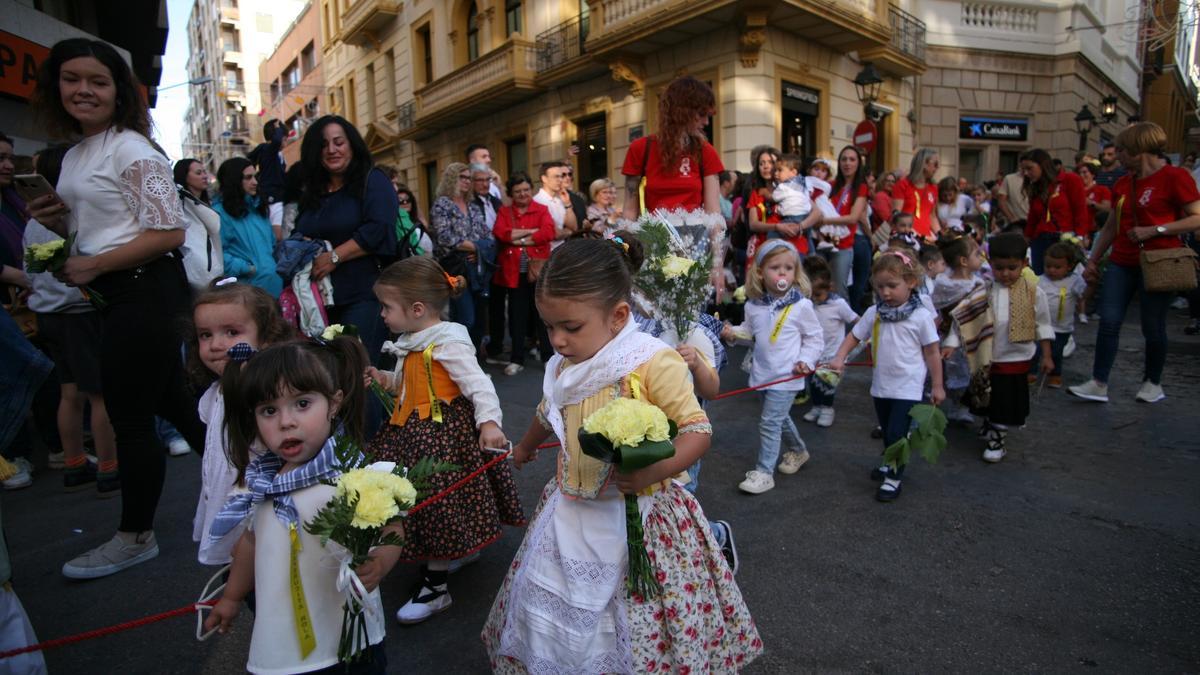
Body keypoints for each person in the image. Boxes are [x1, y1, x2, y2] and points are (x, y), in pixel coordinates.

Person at [482, 237, 762, 672]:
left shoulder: (652, 362)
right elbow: (548, 409)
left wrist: (659, 467)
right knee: (560, 602)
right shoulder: (564, 365)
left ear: (618, 316)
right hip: (570, 508)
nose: (556, 340)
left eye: (570, 327)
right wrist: (524, 446)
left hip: (639, 511)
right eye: (548, 326)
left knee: (633, 614)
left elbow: (697, 429)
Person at [29, 38, 206, 579]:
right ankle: (266, 476)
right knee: (179, 406)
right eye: (71, 79)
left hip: (144, 290)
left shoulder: (130, 148)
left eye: (98, 81)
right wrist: (60, 226)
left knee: (130, 417)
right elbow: (110, 226)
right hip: (119, 293)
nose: (83, 90)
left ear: (119, 92)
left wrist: (93, 264)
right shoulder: (80, 151)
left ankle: (135, 536)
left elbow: (168, 231)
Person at [203, 336, 398, 673]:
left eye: (302, 403)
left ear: (334, 403)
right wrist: (232, 597)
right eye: (269, 410)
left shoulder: (350, 475)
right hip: (280, 641)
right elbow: (250, 542)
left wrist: (380, 563)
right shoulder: (261, 484)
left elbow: (392, 526)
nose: (286, 421)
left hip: (347, 640)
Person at [366, 257, 524, 625]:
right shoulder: (412, 340)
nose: (382, 315)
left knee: (436, 503)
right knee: (419, 500)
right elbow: (412, 382)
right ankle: (454, 552)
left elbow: (479, 383)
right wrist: (385, 380)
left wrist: (488, 423)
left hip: (441, 437)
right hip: (410, 431)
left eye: (387, 307)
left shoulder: (448, 342)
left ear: (417, 309)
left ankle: (436, 587)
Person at [1069, 122, 1200, 403]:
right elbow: (1111, 227)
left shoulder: (1175, 177)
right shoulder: (1122, 183)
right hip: (1122, 260)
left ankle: (1152, 382)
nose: (1118, 158)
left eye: (1123, 151)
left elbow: (1197, 217)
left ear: (1138, 151)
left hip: (1159, 261)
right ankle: (1099, 382)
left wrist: (1157, 230)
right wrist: (1093, 259)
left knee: (1152, 327)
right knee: (1108, 321)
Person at [23, 144, 119, 495]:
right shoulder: (69, 216)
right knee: (99, 395)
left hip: (48, 316)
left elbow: (32, 273)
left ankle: (75, 463)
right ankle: (110, 467)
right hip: (79, 314)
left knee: (70, 393)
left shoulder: (34, 221)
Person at [186, 281, 292, 566]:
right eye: (205, 335)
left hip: (257, 509)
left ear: (267, 338)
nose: (216, 345)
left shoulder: (265, 391)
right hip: (224, 498)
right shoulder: (214, 393)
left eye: (231, 333)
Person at [829, 249, 944, 502]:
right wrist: (839, 357)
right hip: (882, 386)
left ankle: (894, 477)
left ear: (911, 282)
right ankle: (889, 460)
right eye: (880, 287)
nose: (885, 293)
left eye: (892, 286)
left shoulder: (921, 316)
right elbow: (854, 335)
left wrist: (937, 385)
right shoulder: (875, 312)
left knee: (896, 433)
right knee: (888, 431)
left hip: (908, 387)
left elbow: (933, 352)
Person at [294, 115, 398, 365]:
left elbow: (379, 228)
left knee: (359, 370)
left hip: (364, 296)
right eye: (323, 145)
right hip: (321, 304)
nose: (331, 150)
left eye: (339, 142)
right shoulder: (313, 192)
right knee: (334, 372)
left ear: (352, 144)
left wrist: (334, 257)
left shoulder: (373, 180)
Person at [721, 240, 822, 495]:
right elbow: (750, 331)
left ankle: (765, 472)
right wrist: (732, 332)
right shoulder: (753, 305)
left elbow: (815, 337)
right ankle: (798, 451)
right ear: (759, 272)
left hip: (787, 377)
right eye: (775, 267)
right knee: (778, 418)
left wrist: (807, 361)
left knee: (769, 422)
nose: (782, 273)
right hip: (763, 374)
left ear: (795, 273)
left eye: (788, 268)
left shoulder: (801, 306)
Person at [943, 233, 1052, 464]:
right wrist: (951, 343)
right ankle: (990, 424)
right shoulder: (984, 291)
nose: (1005, 274)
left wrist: (1047, 355)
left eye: (1012, 268)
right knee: (987, 394)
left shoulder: (1034, 292)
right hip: (988, 356)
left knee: (1005, 399)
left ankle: (997, 439)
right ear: (990, 264)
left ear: (1024, 263)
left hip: (1016, 358)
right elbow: (964, 316)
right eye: (999, 268)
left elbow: (1043, 324)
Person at [486, 173, 555, 375]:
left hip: (538, 270)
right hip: (514, 273)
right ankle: (517, 358)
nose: (523, 194)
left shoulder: (541, 209)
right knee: (516, 316)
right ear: (511, 194)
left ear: (530, 190)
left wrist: (519, 239)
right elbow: (501, 233)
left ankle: (547, 357)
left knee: (542, 315)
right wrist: (532, 232)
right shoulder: (505, 211)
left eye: (525, 189)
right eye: (518, 191)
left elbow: (548, 233)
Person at [431, 162, 493, 348]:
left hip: (476, 267)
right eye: (462, 177)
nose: (467, 181)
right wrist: (477, 248)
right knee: (465, 319)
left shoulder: (472, 205)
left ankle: (471, 361)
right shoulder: (442, 204)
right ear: (452, 178)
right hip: (456, 269)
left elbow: (487, 235)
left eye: (469, 178)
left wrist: (478, 250)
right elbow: (445, 237)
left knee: (479, 319)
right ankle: (458, 360)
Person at [931, 235, 986, 426]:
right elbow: (936, 306)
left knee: (971, 371)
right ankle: (949, 403)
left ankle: (964, 404)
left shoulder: (979, 283)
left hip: (971, 336)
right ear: (963, 261)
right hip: (947, 336)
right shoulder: (943, 284)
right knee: (950, 370)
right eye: (977, 254)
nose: (981, 257)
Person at [800, 256, 857, 428]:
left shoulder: (838, 305)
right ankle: (817, 407)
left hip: (832, 355)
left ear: (830, 287)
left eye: (818, 294)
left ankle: (827, 408)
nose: (815, 298)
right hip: (813, 354)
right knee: (813, 384)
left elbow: (856, 320)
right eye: (812, 294)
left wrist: (866, 332)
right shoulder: (808, 304)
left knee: (828, 384)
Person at [213, 157, 282, 297]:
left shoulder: (259, 209)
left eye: (255, 177)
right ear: (234, 180)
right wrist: (248, 269)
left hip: (273, 288)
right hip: (247, 294)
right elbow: (217, 254)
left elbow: (272, 246)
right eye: (248, 177)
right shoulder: (219, 213)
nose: (255, 182)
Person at [1021, 148, 1089, 274]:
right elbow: (1033, 218)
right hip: (1040, 240)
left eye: (1029, 168)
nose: (1026, 173)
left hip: (1064, 240)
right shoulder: (1036, 187)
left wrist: (1080, 236)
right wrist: (1025, 240)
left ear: (1043, 165)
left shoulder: (1070, 180)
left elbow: (1080, 210)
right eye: (1023, 170)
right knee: (1041, 281)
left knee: (1067, 282)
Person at [1034, 241, 1088, 389]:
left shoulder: (1074, 281)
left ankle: (1055, 374)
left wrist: (1090, 286)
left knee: (1057, 352)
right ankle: (1031, 372)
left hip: (1062, 327)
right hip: (1040, 325)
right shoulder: (1040, 280)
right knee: (1035, 350)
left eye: (1057, 267)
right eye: (1048, 266)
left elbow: (1083, 294)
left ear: (1069, 267)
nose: (1051, 270)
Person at [823, 146, 871, 301]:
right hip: (824, 241)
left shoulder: (861, 188)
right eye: (844, 159)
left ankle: (849, 325)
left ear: (858, 164)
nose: (847, 163)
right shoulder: (830, 185)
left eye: (852, 159)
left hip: (844, 245)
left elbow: (853, 218)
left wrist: (823, 220)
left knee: (839, 290)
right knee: (821, 288)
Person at [246, 118, 287, 241]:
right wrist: (278, 128)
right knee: (277, 235)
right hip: (272, 195)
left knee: (274, 232)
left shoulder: (276, 153)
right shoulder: (268, 150)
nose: (286, 142)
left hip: (274, 194)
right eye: (285, 138)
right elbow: (276, 141)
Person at [770, 153, 822, 247]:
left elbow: (774, 197)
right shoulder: (802, 182)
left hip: (793, 218)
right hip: (806, 216)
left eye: (779, 170)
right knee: (808, 239)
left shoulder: (783, 186)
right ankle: (812, 255)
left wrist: (766, 193)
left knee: (772, 234)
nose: (775, 173)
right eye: (775, 170)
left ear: (793, 172)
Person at [892, 149, 942, 241]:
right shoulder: (902, 185)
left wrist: (940, 234)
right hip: (906, 237)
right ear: (924, 164)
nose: (937, 167)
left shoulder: (933, 188)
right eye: (935, 164)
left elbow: (932, 216)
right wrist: (915, 234)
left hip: (926, 238)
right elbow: (896, 215)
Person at [532, 161, 577, 245]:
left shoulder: (559, 199)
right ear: (544, 179)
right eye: (556, 177)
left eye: (561, 176)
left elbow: (574, 227)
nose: (560, 180)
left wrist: (567, 204)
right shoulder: (538, 201)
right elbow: (555, 234)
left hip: (560, 252)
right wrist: (569, 232)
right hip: (545, 254)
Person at [1076, 161, 1111, 234]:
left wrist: (1091, 203)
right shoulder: (1075, 191)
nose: (1081, 175)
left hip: (1094, 231)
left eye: (1085, 172)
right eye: (1079, 173)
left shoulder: (1102, 189)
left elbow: (1107, 209)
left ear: (1093, 174)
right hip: (1077, 230)